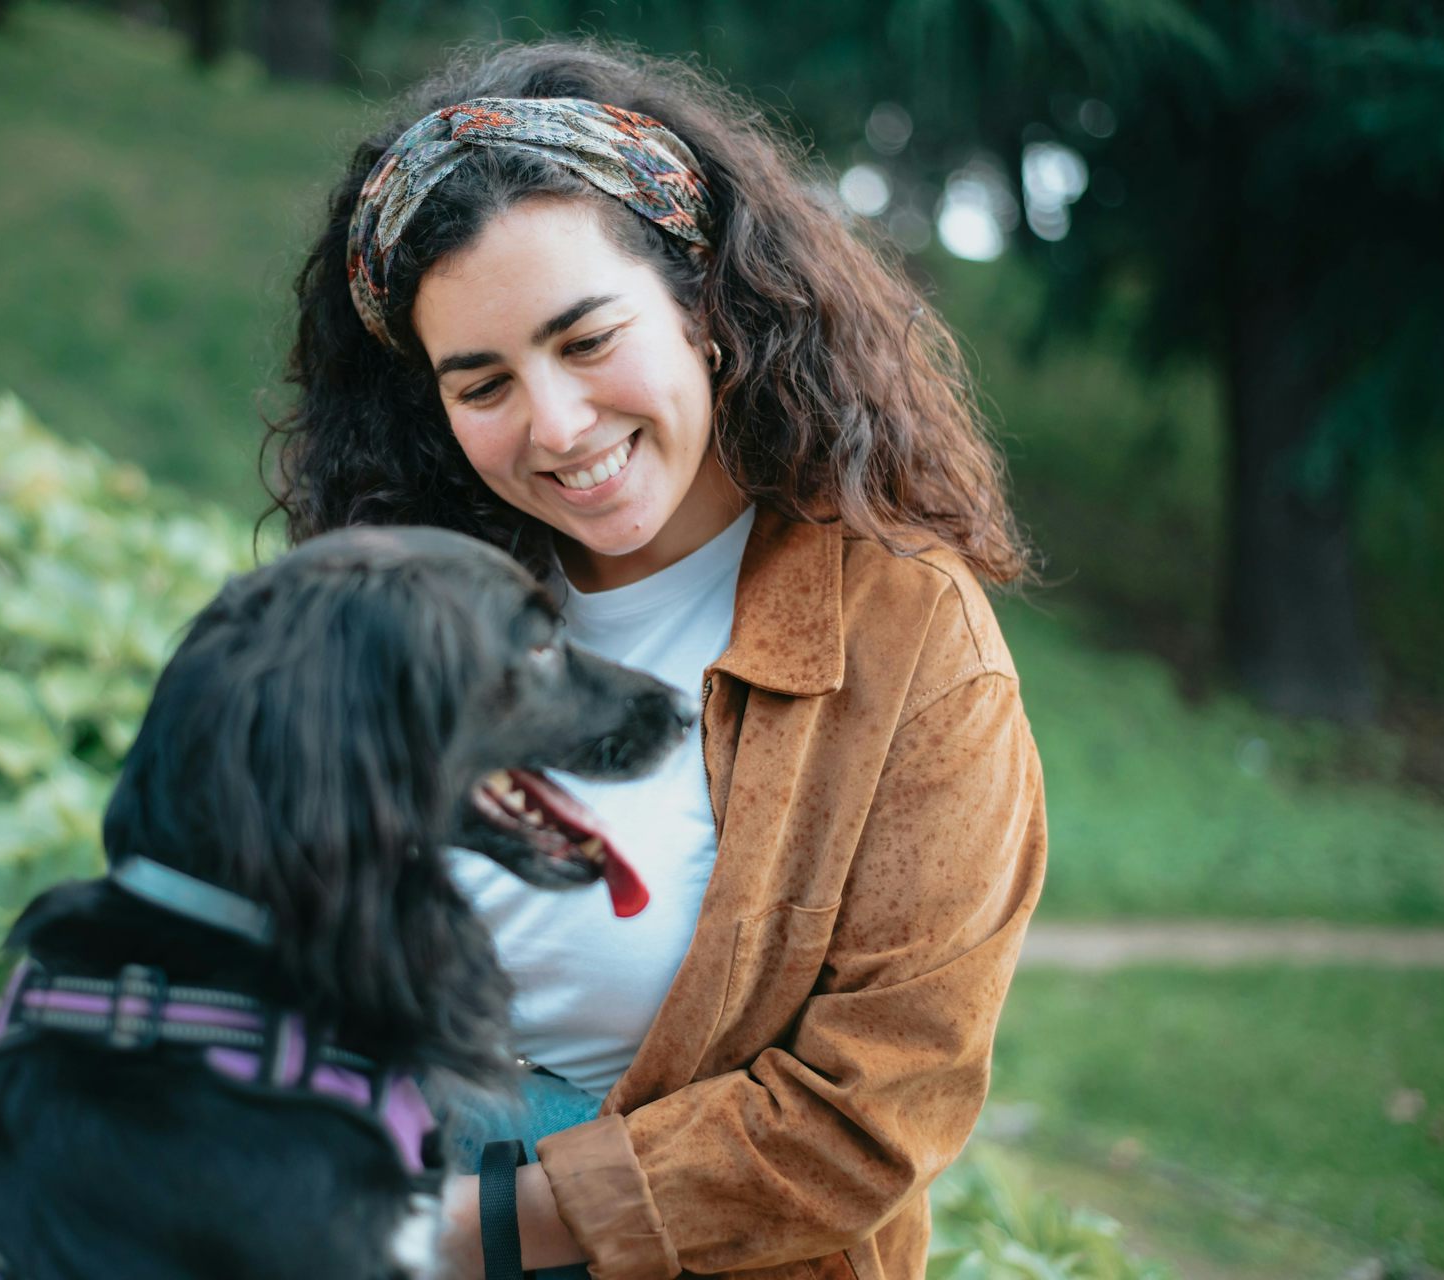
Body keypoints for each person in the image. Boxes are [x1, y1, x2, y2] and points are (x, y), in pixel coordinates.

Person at [264, 38, 1048, 1280]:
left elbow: (865, 1117)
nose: (556, 427)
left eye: (585, 340)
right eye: (484, 384)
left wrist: (466, 1235)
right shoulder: (411, 599)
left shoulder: (911, 641)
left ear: (703, 299)